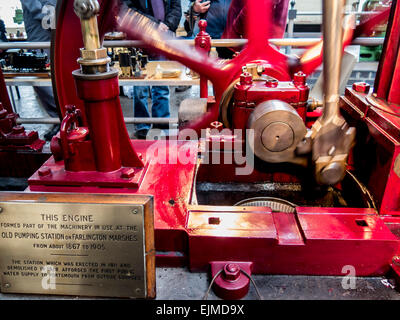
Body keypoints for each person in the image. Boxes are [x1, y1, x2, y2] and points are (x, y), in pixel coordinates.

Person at [124, 0, 182, 139]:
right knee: (140, 88)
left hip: (162, 40)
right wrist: (154, 25)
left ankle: (161, 125)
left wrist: (167, 25)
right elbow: (129, 10)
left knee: (161, 85)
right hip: (140, 40)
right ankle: (142, 126)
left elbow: (176, 8)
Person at [20, 0, 59, 141]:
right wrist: (59, 21)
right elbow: (36, 9)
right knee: (42, 82)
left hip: (57, 35)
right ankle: (59, 117)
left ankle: (63, 117)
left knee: (61, 77)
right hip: (41, 37)